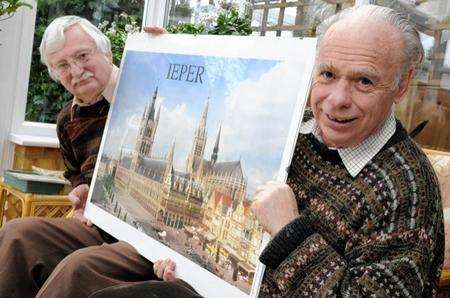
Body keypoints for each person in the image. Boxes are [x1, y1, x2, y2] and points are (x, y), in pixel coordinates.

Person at [114, 4, 443, 298]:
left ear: (402, 85)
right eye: (328, 74)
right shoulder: (297, 127)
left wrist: (289, 231)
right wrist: (170, 54)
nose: (337, 98)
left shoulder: (408, 190)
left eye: (364, 82)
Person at [0, 16, 197, 298]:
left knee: (78, 268)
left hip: (147, 238)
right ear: (56, 75)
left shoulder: (142, 83)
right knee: (16, 234)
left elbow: (186, 84)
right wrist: (81, 190)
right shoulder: (66, 120)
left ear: (107, 52)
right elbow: (76, 174)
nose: (77, 71)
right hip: (103, 225)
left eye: (82, 56)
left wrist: (167, 54)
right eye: (63, 66)